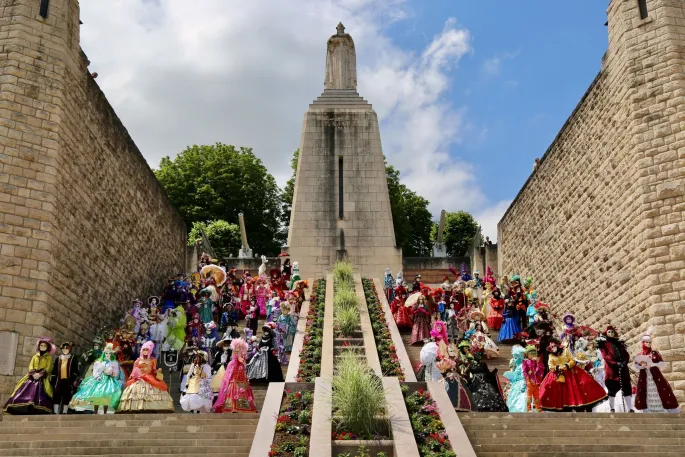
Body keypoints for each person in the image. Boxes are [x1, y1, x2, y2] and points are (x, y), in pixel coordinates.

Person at [539, 339, 607, 412]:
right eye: (551, 348)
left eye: (554, 346)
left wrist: (567, 365)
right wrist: (558, 367)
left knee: (579, 387)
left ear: (557, 346)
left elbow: (572, 360)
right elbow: (550, 366)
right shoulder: (551, 356)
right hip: (559, 374)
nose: (553, 348)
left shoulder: (565, 351)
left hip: (570, 373)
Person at [632, 327, 680, 413]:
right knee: (646, 391)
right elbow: (635, 366)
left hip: (655, 375)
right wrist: (642, 366)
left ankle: (662, 408)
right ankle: (648, 409)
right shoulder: (640, 354)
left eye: (650, 342)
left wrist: (653, 364)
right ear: (643, 343)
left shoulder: (655, 353)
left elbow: (663, 363)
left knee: (660, 390)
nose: (648, 344)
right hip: (645, 376)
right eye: (646, 342)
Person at [117, 341, 174, 412]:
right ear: (141, 350)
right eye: (144, 349)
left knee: (156, 388)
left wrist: (158, 371)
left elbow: (153, 370)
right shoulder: (137, 361)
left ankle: (152, 407)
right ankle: (136, 407)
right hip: (138, 378)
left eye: (147, 349)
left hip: (150, 377)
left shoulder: (153, 360)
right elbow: (134, 370)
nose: (145, 351)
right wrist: (133, 375)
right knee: (133, 390)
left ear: (150, 351)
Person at [4, 337, 56, 414]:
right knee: (24, 387)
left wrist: (41, 374)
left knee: (42, 390)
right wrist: (33, 373)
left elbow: (48, 367)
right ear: (39, 346)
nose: (42, 347)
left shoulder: (49, 357)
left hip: (42, 377)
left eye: (44, 346)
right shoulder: (34, 356)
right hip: (32, 375)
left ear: (47, 347)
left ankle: (38, 408)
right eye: (41, 345)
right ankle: (23, 405)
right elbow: (31, 365)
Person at [70, 343, 124, 414]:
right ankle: (95, 411)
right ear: (104, 354)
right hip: (99, 380)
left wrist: (111, 373)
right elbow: (95, 371)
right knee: (96, 395)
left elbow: (116, 373)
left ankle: (105, 412)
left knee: (106, 396)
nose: (108, 355)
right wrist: (97, 377)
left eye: (109, 354)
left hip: (109, 381)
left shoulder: (114, 363)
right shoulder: (99, 362)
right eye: (106, 353)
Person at [214, 339, 257, 413]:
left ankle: (240, 406)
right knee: (234, 386)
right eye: (238, 346)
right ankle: (233, 406)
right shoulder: (236, 352)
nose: (239, 348)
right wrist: (241, 357)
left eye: (240, 346)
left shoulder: (240, 352)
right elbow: (239, 359)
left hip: (239, 371)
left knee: (239, 387)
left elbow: (242, 360)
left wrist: (242, 357)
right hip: (235, 369)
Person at [597, 325, 634, 412]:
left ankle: (630, 408)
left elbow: (626, 354)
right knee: (612, 389)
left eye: (612, 332)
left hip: (623, 368)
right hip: (612, 370)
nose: (611, 333)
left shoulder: (620, 344)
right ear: (606, 333)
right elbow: (605, 356)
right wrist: (615, 363)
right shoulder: (604, 344)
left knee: (627, 388)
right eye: (609, 332)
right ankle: (612, 408)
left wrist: (624, 362)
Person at [50, 342, 80, 414]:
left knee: (66, 395)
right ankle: (55, 412)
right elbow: (54, 370)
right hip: (59, 381)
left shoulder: (73, 358)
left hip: (68, 380)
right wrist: (53, 378)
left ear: (69, 350)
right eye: (64, 349)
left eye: (67, 349)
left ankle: (64, 412)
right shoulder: (58, 358)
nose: (65, 350)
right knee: (57, 395)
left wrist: (73, 378)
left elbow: (76, 370)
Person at [503, 345, 527, 413]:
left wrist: (523, 385)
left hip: (521, 383)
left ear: (520, 357)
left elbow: (524, 376)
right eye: (514, 358)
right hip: (516, 383)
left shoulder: (522, 365)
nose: (514, 360)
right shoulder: (518, 365)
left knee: (521, 397)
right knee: (514, 396)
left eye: (516, 358)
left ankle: (521, 409)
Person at [522, 345, 544, 412]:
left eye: (534, 354)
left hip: (536, 381)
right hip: (530, 381)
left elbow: (541, 368)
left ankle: (538, 407)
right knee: (529, 395)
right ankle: (529, 408)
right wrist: (527, 375)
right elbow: (524, 371)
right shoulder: (525, 362)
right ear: (527, 355)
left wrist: (537, 363)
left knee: (537, 395)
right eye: (531, 355)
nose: (532, 356)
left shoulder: (537, 362)